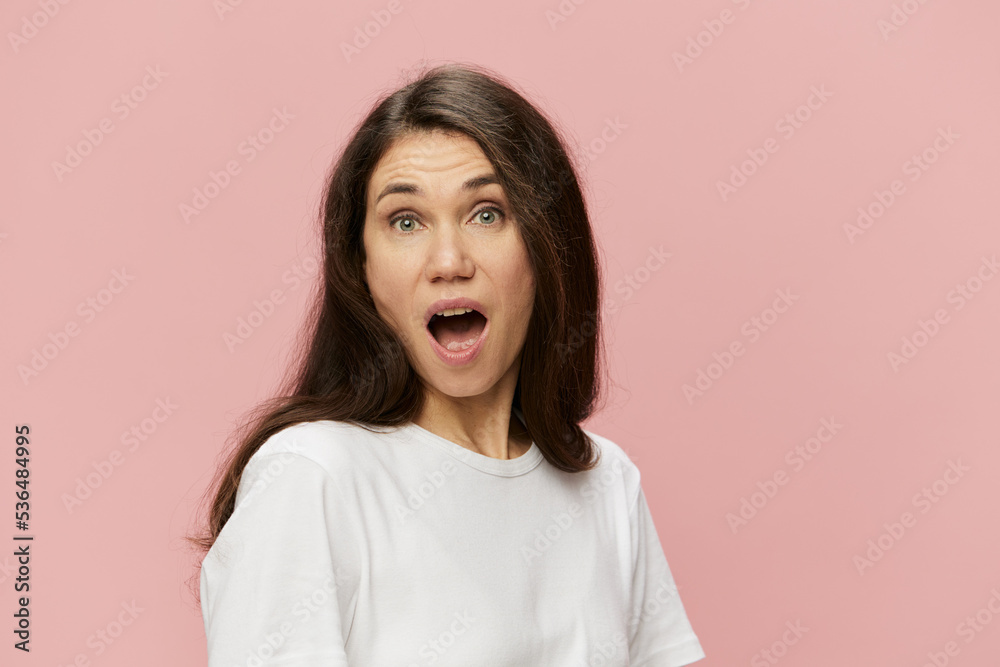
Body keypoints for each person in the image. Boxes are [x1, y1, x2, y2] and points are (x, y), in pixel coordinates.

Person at [189, 61, 706, 666]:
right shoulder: (312, 477)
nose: (448, 259)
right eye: (405, 222)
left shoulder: (606, 482)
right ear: (363, 270)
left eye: (487, 213)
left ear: (546, 246)